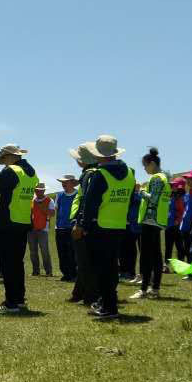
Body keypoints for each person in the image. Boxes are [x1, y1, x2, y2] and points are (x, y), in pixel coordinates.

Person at [73, 136, 135, 321]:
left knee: (100, 269)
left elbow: (91, 203)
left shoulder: (101, 175)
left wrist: (81, 225)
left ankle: (109, 307)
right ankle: (107, 303)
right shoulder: (130, 173)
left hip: (99, 226)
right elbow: (131, 200)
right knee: (111, 266)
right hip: (118, 225)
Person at [0, 143, 38, 313]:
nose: (4, 162)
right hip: (23, 221)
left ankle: (11, 303)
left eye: (5, 158)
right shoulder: (31, 173)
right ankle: (19, 299)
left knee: (7, 263)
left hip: (8, 222)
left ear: (11, 157)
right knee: (17, 262)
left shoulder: (11, 171)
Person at [132, 147, 172, 300]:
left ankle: (144, 289)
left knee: (147, 256)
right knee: (156, 256)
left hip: (150, 219)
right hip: (158, 220)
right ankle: (155, 288)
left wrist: (140, 191)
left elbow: (153, 199)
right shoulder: (165, 178)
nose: (144, 168)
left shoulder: (156, 178)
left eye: (145, 165)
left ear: (152, 163)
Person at [67, 146, 100, 306]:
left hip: (84, 223)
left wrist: (79, 223)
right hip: (94, 222)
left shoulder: (89, 174)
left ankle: (90, 296)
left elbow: (86, 200)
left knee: (85, 262)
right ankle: (78, 293)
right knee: (85, 261)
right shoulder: (94, 173)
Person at [54, 174, 78, 282]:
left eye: (66, 182)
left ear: (72, 183)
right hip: (60, 228)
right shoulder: (59, 195)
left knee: (72, 252)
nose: (63, 184)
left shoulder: (78, 195)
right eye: (62, 182)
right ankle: (65, 273)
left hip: (72, 228)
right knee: (62, 252)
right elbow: (57, 210)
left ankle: (74, 274)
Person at [28, 183, 55, 277]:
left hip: (44, 229)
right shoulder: (32, 201)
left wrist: (42, 208)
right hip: (32, 229)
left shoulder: (49, 200)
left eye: (40, 190)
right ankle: (35, 271)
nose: (38, 191)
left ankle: (49, 271)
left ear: (44, 190)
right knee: (33, 251)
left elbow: (52, 213)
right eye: (36, 190)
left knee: (44, 250)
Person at [119, 187, 141, 283]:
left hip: (132, 225)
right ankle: (124, 271)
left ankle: (130, 272)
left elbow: (137, 200)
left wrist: (134, 192)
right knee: (122, 249)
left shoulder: (137, 196)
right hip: (122, 224)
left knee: (130, 249)